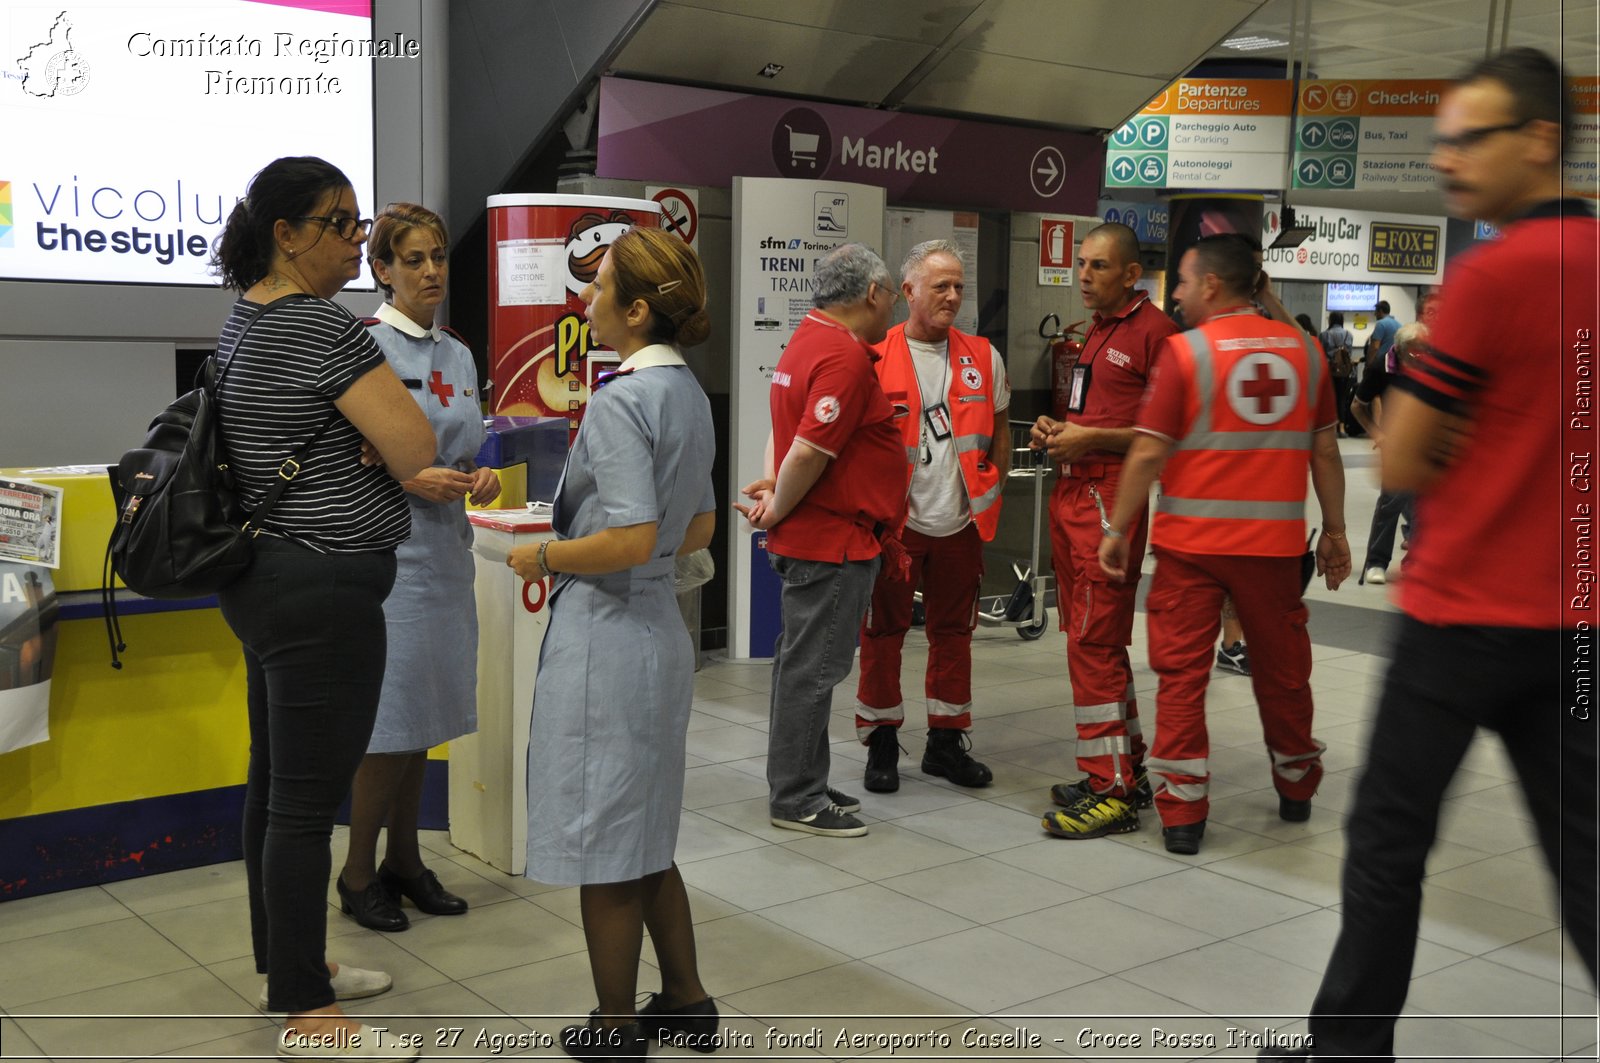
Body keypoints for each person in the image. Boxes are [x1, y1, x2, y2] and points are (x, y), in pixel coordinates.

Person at [1264, 47, 1598, 1063]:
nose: (1445, 159)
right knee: (1585, 863)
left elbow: (1401, 454)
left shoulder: (1494, 272)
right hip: (1577, 625)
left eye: (1468, 139)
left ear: (1537, 140)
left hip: (1460, 618)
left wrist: (1460, 424)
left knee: (1385, 844)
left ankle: (1348, 1049)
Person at [210, 156, 435, 1059]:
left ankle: (289, 963)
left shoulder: (243, 321)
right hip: (325, 588)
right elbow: (415, 444)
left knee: (275, 787)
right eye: (340, 224)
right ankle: (308, 1010)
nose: (356, 241)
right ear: (287, 234)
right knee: (306, 806)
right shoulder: (318, 328)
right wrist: (375, 443)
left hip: (263, 581)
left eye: (357, 220)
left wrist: (365, 442)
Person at [507, 226, 719, 1059]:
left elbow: (628, 537)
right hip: (658, 636)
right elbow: (694, 522)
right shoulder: (688, 393)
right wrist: (644, 543)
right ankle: (687, 1000)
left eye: (598, 290)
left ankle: (617, 1024)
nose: (586, 302)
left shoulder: (623, 399)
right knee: (646, 831)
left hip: (607, 638)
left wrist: (545, 553)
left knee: (605, 839)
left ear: (634, 310)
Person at [1098, 233, 1351, 856]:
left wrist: (1115, 529)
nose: (1177, 295)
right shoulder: (1307, 353)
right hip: (1273, 550)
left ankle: (1183, 814)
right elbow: (1324, 449)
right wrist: (1337, 533)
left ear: (1212, 284)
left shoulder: (1185, 355)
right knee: (1284, 672)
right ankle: (1297, 785)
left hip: (1191, 549)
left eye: (1182, 282)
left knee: (1182, 676)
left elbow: (1150, 448)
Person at [335, 203, 500, 934]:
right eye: (412, 259)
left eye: (438, 256)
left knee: (424, 721)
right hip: (386, 560)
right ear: (381, 269)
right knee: (387, 726)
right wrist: (408, 478)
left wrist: (476, 476)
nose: (431, 270)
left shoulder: (458, 353)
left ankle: (406, 859)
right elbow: (338, 464)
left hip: (443, 557)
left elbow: (464, 452)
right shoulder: (362, 345)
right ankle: (357, 870)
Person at [738, 243, 909, 839]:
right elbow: (809, 448)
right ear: (871, 293)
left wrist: (774, 498)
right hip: (830, 543)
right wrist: (775, 507)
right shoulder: (843, 356)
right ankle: (797, 796)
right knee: (813, 670)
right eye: (894, 293)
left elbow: (785, 432)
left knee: (800, 665)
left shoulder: (806, 339)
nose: (896, 305)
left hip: (816, 535)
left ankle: (804, 774)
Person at [1028, 222, 1174, 838]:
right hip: (1075, 490)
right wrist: (1060, 432)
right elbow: (1100, 411)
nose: (1083, 276)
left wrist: (1091, 439)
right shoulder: (1100, 329)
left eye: (1098, 266)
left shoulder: (1156, 335)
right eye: (1081, 264)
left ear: (1131, 273)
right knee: (1092, 637)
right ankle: (1122, 768)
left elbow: (1166, 434)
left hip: (1110, 499)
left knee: (1092, 638)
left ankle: (1109, 789)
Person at [855, 239, 1008, 793]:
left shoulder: (984, 357)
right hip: (896, 527)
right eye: (940, 285)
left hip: (961, 524)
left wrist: (990, 487)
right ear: (907, 291)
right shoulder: (874, 354)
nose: (952, 296)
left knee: (954, 634)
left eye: (959, 286)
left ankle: (945, 741)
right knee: (883, 633)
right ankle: (881, 740)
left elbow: (1001, 429)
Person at [1350, 321, 1426, 587]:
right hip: (1395, 440)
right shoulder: (1382, 364)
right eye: (1415, 353)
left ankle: (1417, 562)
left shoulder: (1430, 362)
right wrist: (1376, 433)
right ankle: (1376, 563)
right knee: (1392, 501)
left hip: (1425, 438)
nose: (1420, 357)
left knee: (1423, 504)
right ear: (1400, 350)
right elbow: (1357, 406)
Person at [1318, 312, 1358, 437]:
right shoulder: (1348, 335)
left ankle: (1332, 428)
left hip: (1330, 371)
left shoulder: (1324, 335)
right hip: (1345, 373)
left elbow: (1321, 353)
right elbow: (1348, 353)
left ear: (1330, 320)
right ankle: (1342, 428)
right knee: (1342, 399)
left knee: (1330, 399)